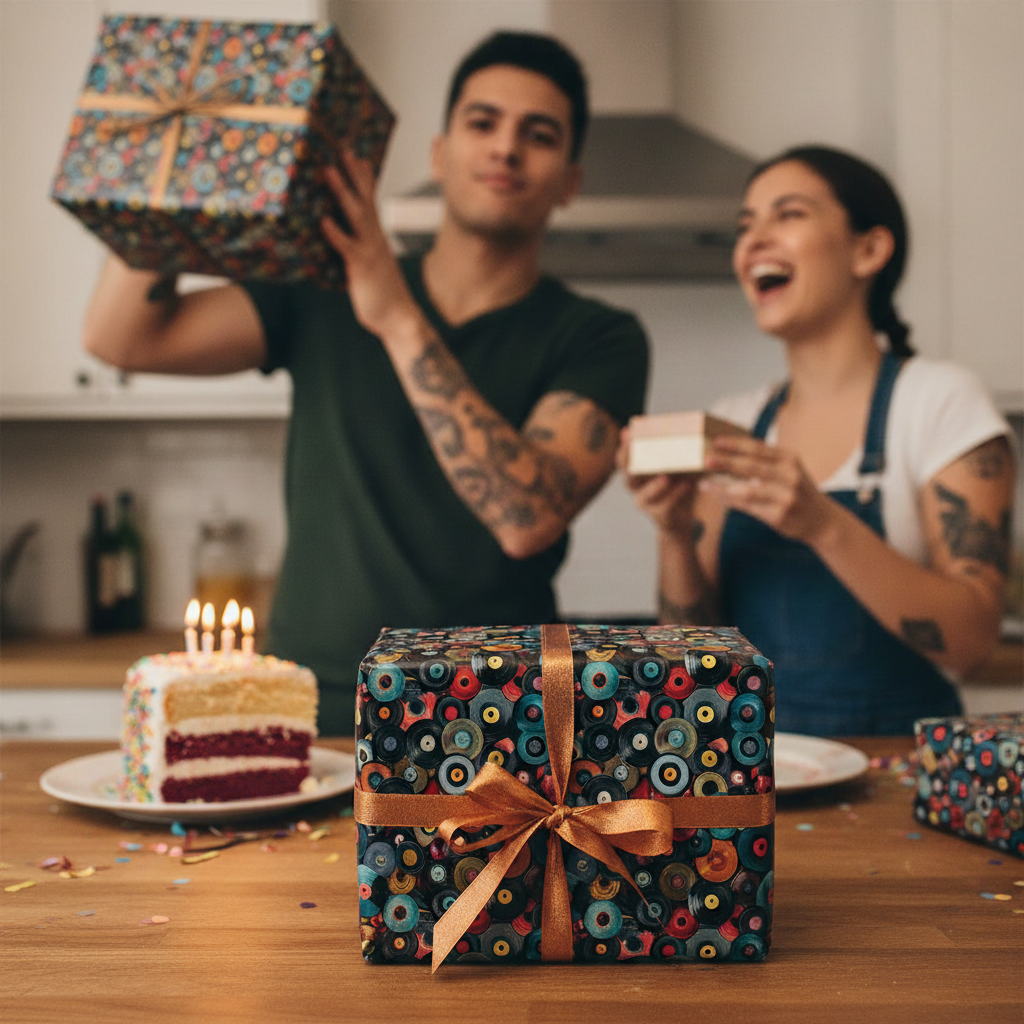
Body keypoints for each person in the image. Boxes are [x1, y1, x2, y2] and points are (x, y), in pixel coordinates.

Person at [83, 32, 650, 734]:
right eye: (483, 122)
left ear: (570, 181)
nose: (506, 148)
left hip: (497, 717)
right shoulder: (324, 288)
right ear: (439, 154)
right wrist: (179, 177)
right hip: (310, 705)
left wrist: (396, 317)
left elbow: (526, 519)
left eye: (538, 135)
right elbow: (121, 338)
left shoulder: (600, 337)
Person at [624, 145, 1014, 736]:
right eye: (745, 225)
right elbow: (692, 665)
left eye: (789, 214)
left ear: (868, 250)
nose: (753, 241)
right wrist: (674, 534)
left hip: (896, 774)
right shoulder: (734, 422)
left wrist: (823, 524)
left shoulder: (941, 403)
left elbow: (972, 646)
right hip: (755, 769)